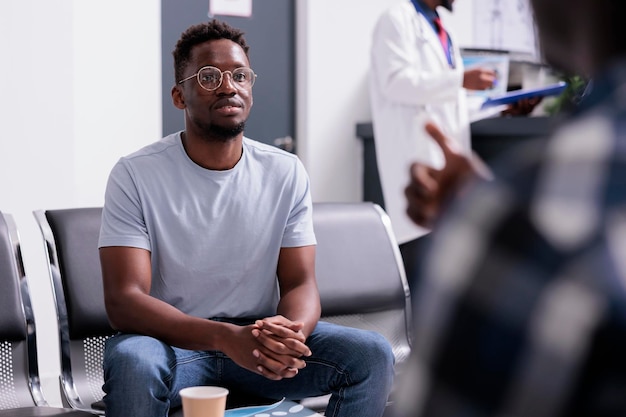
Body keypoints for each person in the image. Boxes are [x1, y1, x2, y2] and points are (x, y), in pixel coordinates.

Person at [98, 19, 394, 417]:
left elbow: (301, 282)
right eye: (208, 76)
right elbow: (125, 302)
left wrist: (289, 336)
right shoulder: (135, 173)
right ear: (179, 96)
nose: (228, 85)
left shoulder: (285, 171)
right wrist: (224, 337)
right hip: (171, 343)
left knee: (371, 354)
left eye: (240, 75)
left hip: (256, 338)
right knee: (134, 362)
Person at [394, 0, 626, 415]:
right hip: (423, 157)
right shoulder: (395, 20)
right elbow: (400, 83)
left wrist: (491, 218)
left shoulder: (526, 217)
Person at [368, 0, 497, 292]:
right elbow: (395, 81)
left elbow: (451, 101)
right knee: (419, 266)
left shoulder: (440, 29)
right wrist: (460, 79)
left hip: (445, 162)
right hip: (416, 157)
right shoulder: (396, 19)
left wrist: (502, 106)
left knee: (444, 268)